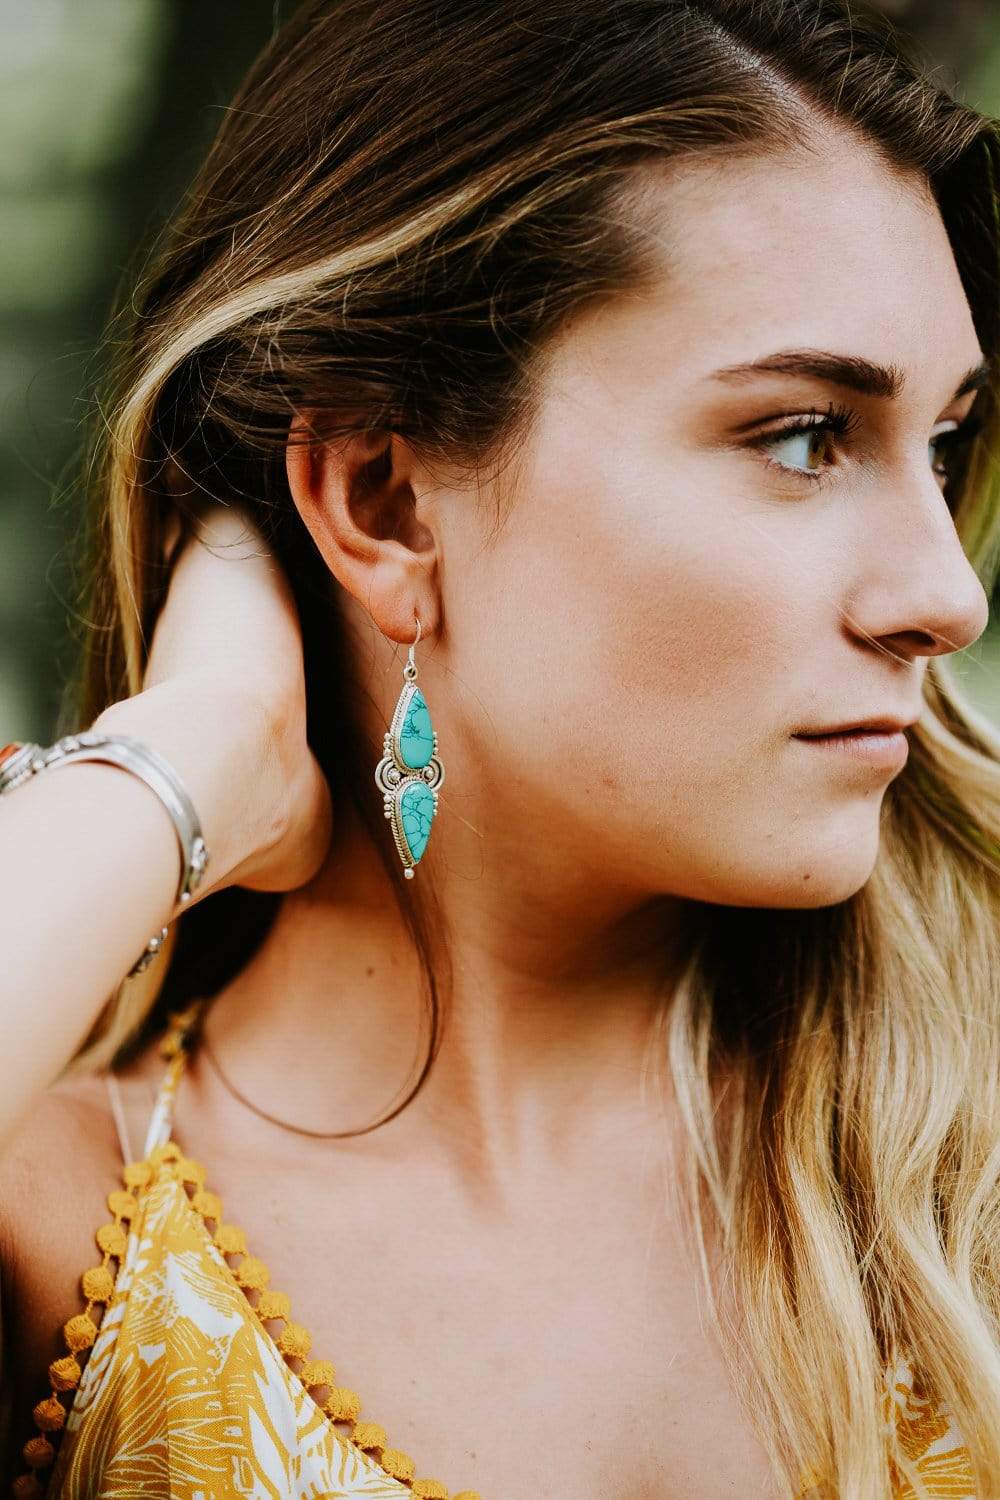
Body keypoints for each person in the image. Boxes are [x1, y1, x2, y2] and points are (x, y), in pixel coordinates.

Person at [2, 0, 999, 1494]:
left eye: (943, 444)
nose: (947, 596)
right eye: (802, 436)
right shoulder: (70, 1231)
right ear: (386, 503)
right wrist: (187, 761)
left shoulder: (969, 1161)